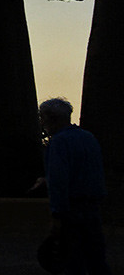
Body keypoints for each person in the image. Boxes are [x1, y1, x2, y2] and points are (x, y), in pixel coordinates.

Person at [38, 98, 111, 275]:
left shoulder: (59, 142)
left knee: (73, 260)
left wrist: (57, 214)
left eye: (43, 118)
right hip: (93, 206)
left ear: (51, 118)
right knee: (96, 259)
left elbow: (59, 181)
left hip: (71, 208)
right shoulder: (88, 137)